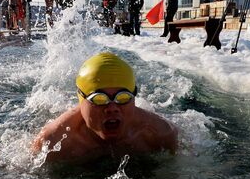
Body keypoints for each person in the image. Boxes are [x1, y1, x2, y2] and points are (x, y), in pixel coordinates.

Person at [32, 52, 178, 163]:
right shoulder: (53, 142)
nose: (112, 108)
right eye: (99, 99)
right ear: (81, 100)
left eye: (123, 97)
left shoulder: (160, 134)